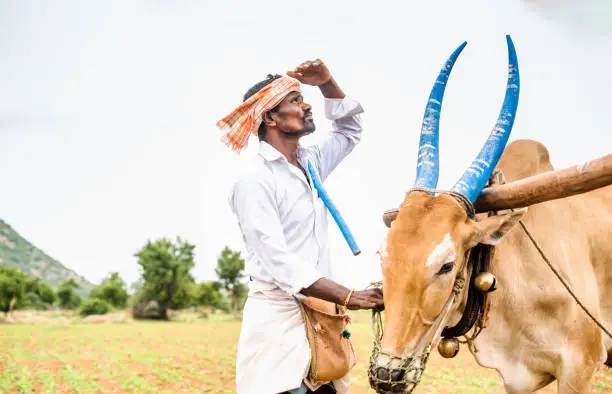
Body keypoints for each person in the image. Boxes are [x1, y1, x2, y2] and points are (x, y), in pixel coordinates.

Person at [217, 59, 384, 394]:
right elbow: (278, 261)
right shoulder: (255, 180)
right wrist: (349, 296)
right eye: (295, 100)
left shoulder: (312, 162)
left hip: (321, 318)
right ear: (270, 117)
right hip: (279, 325)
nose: (307, 105)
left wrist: (327, 82)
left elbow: (349, 130)